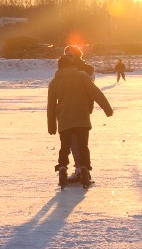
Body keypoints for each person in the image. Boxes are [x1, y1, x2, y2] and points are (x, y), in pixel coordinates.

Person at [48, 53, 114, 187]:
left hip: (64, 119)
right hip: (82, 118)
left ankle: (62, 168)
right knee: (83, 146)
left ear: (59, 67)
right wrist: (107, 109)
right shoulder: (81, 76)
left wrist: (52, 125)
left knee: (64, 147)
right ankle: (84, 168)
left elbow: (51, 105)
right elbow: (96, 93)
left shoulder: (54, 82)